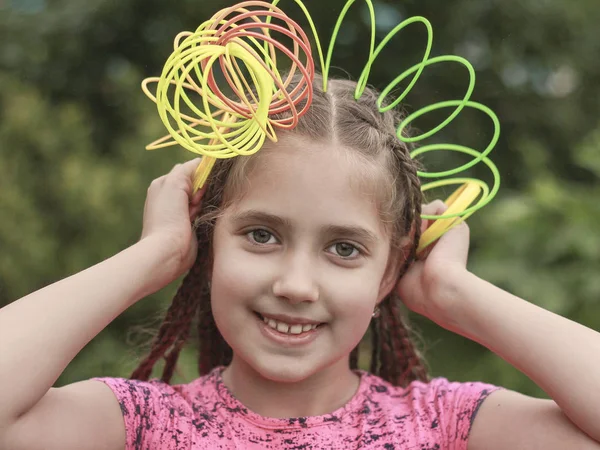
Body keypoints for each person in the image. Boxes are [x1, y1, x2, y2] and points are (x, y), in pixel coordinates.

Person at [1, 74, 599, 450]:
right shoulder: (142, 425)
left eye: (345, 249)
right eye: (262, 235)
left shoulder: (447, 427)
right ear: (208, 245)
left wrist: (454, 293)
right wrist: (154, 255)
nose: (295, 284)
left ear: (388, 272)